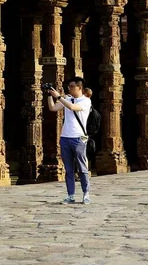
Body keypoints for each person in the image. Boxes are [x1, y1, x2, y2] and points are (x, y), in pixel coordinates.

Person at [46, 77, 92, 205]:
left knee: (82, 167)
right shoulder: (67, 98)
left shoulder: (85, 101)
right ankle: (70, 195)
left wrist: (59, 96)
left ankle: (86, 193)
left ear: (79, 87)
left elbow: (72, 107)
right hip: (65, 137)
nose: (69, 88)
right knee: (68, 169)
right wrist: (50, 95)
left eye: (72, 86)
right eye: (69, 86)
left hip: (79, 137)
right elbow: (53, 108)